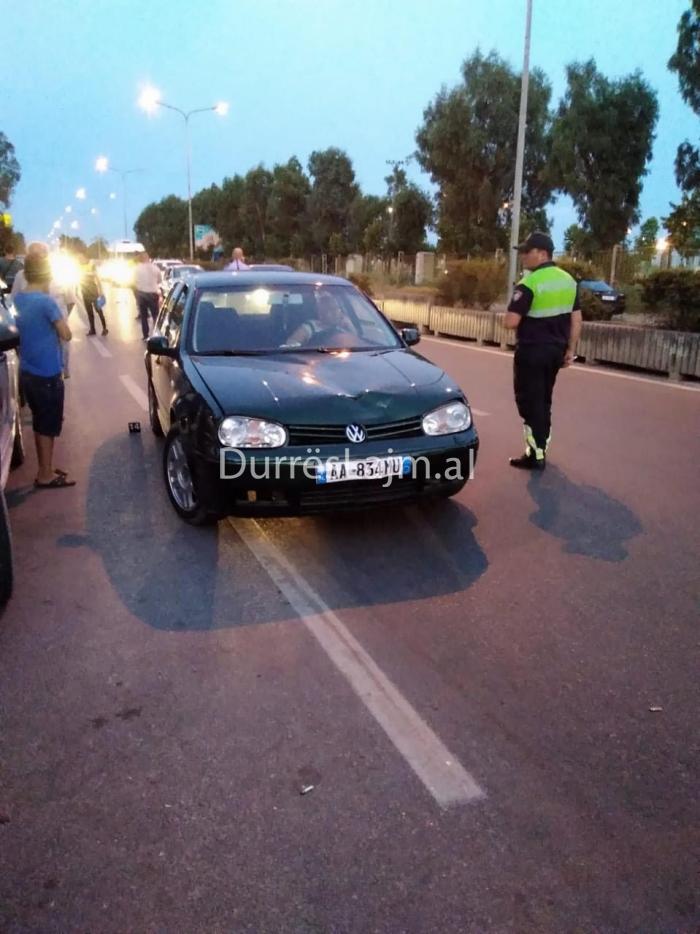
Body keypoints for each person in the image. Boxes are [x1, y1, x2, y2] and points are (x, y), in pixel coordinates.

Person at [503, 231, 582, 471]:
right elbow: (576, 320)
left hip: (532, 352)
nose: (524, 256)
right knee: (544, 400)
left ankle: (535, 454)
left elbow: (511, 322)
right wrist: (570, 350)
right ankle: (540, 448)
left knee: (529, 401)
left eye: (527, 252)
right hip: (555, 352)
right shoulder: (569, 281)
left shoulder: (530, 283)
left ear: (542, 253)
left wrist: (504, 317)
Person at [12, 255, 75, 488]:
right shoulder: (46, 302)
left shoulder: (17, 300)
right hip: (48, 373)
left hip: (27, 370)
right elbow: (66, 334)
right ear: (47, 275)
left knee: (40, 421)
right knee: (48, 425)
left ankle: (45, 468)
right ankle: (45, 475)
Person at [12, 242, 76, 377]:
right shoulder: (20, 276)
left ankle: (63, 371)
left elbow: (70, 301)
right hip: (35, 341)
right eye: (34, 256)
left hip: (57, 329)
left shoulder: (61, 274)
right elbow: (13, 305)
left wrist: (59, 320)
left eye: (40, 256)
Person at [286, 289, 352, 345]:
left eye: (336, 309)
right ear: (321, 314)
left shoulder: (343, 326)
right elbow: (291, 343)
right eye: (330, 310)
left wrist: (349, 326)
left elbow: (357, 340)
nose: (335, 313)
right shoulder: (311, 326)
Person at [134, 251, 162, 340]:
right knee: (155, 315)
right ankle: (157, 334)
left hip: (141, 294)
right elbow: (159, 280)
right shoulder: (155, 268)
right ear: (148, 258)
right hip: (153, 294)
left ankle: (145, 335)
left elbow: (134, 281)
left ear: (141, 259)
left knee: (144, 316)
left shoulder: (136, 268)